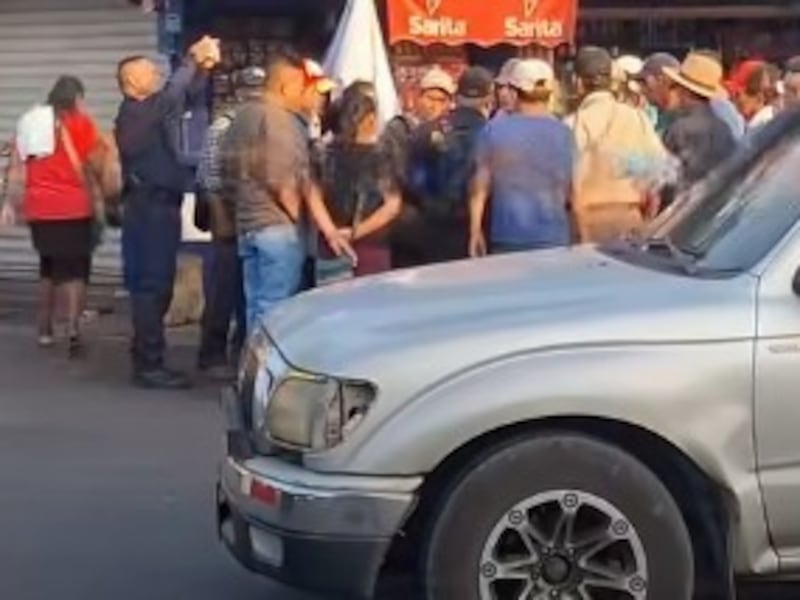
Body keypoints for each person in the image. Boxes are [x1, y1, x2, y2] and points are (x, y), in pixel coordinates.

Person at [222, 47, 351, 334]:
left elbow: (227, 173)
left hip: (249, 224)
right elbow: (286, 182)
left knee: (256, 306)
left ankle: (251, 371)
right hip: (277, 228)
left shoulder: (243, 115)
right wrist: (299, 221)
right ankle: (265, 375)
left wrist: (327, 229)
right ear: (287, 86)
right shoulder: (279, 120)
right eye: (307, 89)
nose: (314, 97)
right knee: (276, 311)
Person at [116, 37, 217, 389]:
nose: (156, 72)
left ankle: (146, 356)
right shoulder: (135, 113)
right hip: (148, 209)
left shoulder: (153, 110)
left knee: (157, 288)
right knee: (151, 286)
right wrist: (192, 58)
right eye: (148, 71)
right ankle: (149, 364)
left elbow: (185, 98)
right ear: (131, 82)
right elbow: (173, 96)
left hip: (161, 207)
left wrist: (202, 69)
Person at [1, 76, 106, 356]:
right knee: (74, 270)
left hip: (39, 208)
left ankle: (44, 328)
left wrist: (9, 205)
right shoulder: (82, 124)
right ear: (76, 99)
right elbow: (97, 162)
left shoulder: (29, 122)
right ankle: (73, 330)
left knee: (48, 267)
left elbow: (14, 168)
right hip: (73, 207)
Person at [195, 67, 264, 381]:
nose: (255, 94)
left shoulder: (264, 124)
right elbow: (209, 180)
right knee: (223, 288)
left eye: (259, 88)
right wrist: (222, 221)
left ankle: (241, 351)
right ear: (238, 92)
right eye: (250, 89)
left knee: (247, 291)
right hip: (228, 213)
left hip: (255, 215)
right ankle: (210, 354)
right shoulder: (223, 127)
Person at [469, 60, 573, 257]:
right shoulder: (564, 133)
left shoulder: (493, 129)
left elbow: (479, 188)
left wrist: (475, 231)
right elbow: (571, 190)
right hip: (554, 236)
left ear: (515, 92)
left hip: (507, 237)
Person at [567, 46, 668, 243]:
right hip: (630, 216)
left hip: (587, 221)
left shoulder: (574, 123)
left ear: (578, 82)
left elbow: (571, 184)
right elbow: (656, 173)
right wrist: (648, 219)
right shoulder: (637, 117)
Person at [312, 89, 402, 280]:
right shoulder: (382, 156)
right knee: (370, 304)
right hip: (371, 244)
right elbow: (392, 207)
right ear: (369, 119)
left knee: (331, 305)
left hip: (330, 244)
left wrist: (331, 232)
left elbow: (313, 196)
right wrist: (354, 233)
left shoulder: (322, 154)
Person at [412, 66, 494, 263]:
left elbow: (413, 181)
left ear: (457, 94)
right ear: (489, 97)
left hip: (433, 228)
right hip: (481, 229)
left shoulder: (426, 131)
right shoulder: (495, 133)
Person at [384, 67, 456, 268]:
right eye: (430, 98)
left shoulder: (451, 133)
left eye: (441, 100)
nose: (434, 105)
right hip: (407, 222)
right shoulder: (399, 128)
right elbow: (396, 173)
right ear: (418, 97)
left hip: (440, 225)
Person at [662, 51, 737, 192]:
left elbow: (664, 180)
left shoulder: (679, 129)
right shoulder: (724, 129)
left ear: (684, 91)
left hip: (684, 206)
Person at [727, 59, 780, 132]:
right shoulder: (750, 124)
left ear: (759, 97)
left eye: (738, 94)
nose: (735, 100)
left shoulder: (763, 129)